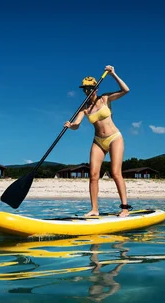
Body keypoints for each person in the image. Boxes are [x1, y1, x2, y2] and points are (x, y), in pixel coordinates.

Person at [64, 65, 131, 217]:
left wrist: (113, 73)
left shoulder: (105, 98)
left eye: (90, 88)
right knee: (93, 175)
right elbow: (77, 126)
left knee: (115, 173)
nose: (88, 91)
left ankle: (125, 208)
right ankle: (94, 209)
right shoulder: (84, 108)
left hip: (114, 138)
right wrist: (71, 125)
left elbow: (125, 90)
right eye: (85, 89)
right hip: (98, 141)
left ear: (96, 88)